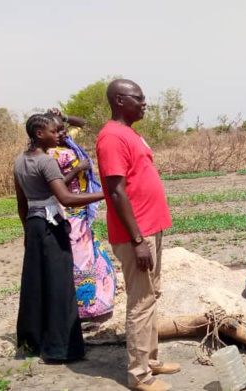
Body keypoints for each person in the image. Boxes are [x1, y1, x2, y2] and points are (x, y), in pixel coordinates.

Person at [96, 79, 178, 391]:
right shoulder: (112, 138)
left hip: (150, 227)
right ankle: (139, 375)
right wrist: (138, 240)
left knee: (151, 295)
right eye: (138, 98)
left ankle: (150, 359)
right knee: (141, 301)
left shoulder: (130, 133)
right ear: (119, 100)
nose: (144, 103)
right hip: (137, 235)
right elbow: (116, 192)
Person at [13, 114, 104, 363]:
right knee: (60, 286)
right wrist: (104, 195)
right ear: (40, 134)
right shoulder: (46, 161)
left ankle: (32, 341)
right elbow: (65, 198)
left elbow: (22, 203)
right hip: (52, 225)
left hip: (34, 224)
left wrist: (27, 231)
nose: (58, 135)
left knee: (36, 282)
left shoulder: (20, 161)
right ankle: (61, 348)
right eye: (54, 131)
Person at [46, 108, 117, 322]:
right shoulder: (49, 155)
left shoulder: (67, 143)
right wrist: (77, 170)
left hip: (81, 210)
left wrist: (65, 116)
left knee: (94, 257)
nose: (63, 133)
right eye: (57, 130)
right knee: (80, 258)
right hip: (70, 209)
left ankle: (95, 304)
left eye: (63, 129)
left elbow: (82, 122)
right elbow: (56, 187)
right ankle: (84, 310)